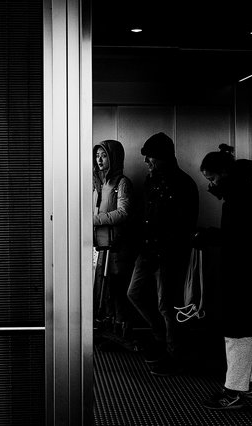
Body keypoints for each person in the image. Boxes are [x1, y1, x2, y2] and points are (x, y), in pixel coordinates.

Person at [195, 144, 252, 410]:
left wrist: (210, 235)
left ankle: (234, 389)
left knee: (237, 331)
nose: (212, 186)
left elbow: (237, 236)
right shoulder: (247, 189)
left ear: (224, 173)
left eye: (212, 179)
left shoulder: (239, 194)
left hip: (242, 271)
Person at [127, 132, 199, 376]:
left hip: (168, 253)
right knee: (134, 293)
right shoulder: (152, 181)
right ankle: (160, 336)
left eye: (151, 158)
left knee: (167, 305)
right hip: (148, 250)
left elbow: (185, 223)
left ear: (164, 158)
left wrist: (168, 246)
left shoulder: (184, 184)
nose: (147, 163)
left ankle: (174, 353)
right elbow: (144, 213)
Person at [92, 139, 137, 349]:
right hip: (101, 246)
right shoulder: (97, 182)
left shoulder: (122, 183)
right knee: (104, 290)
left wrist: (93, 219)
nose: (99, 159)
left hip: (118, 246)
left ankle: (123, 334)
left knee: (118, 290)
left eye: (104, 155)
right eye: (98, 155)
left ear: (114, 158)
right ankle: (108, 333)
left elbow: (123, 213)